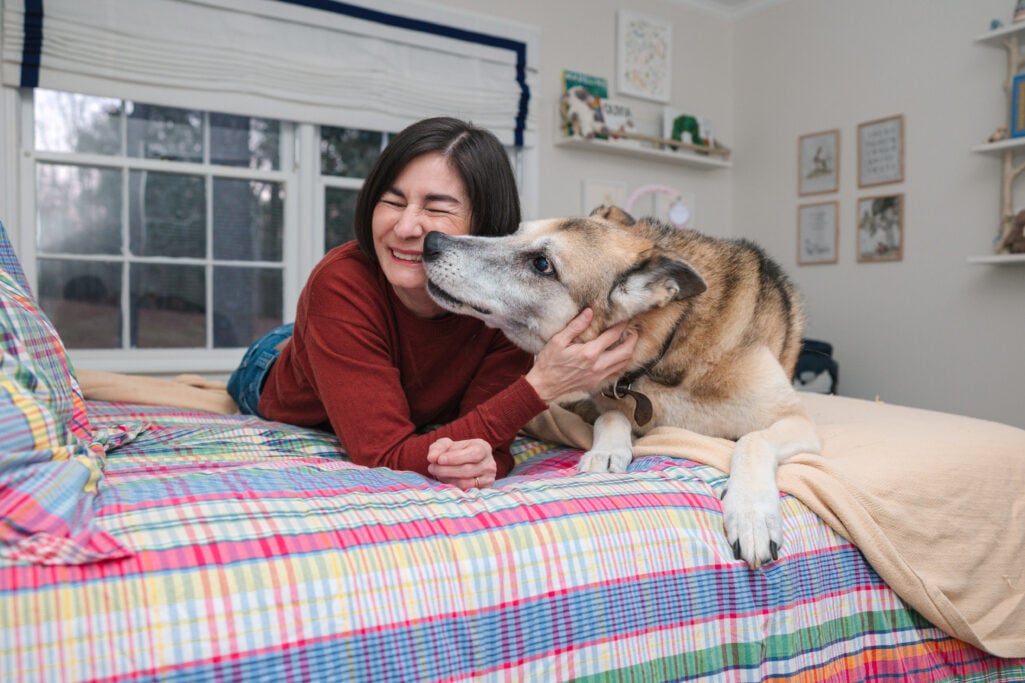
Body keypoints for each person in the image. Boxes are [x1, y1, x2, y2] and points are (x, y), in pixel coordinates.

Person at [228, 117, 637, 490]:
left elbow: (489, 446)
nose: (405, 227)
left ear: (485, 224)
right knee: (311, 335)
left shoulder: (505, 301)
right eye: (393, 202)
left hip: (377, 357)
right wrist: (543, 385)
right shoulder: (341, 283)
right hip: (274, 365)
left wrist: (485, 461)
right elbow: (386, 456)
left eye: (437, 208)